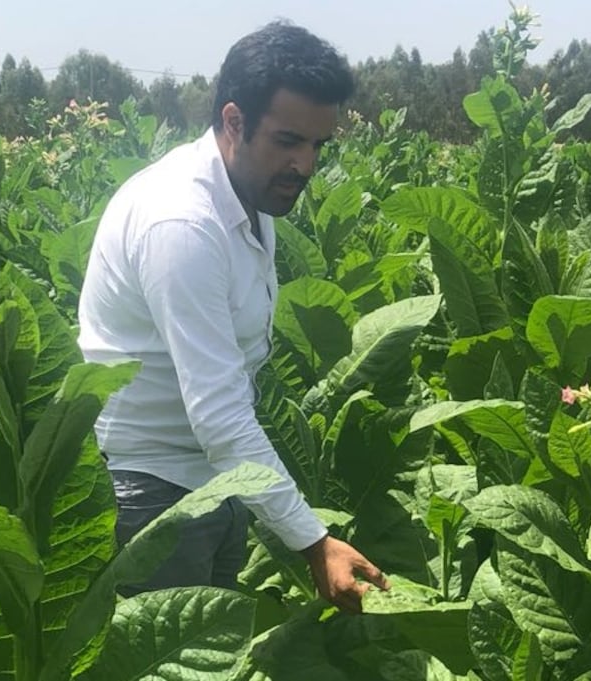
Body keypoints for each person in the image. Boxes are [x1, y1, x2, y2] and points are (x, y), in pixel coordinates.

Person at [76, 19, 388, 615]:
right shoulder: (183, 224)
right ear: (233, 121)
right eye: (288, 141)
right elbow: (219, 417)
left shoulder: (249, 193)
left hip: (217, 483)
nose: (306, 165)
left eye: (318, 145)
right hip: (156, 495)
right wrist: (313, 541)